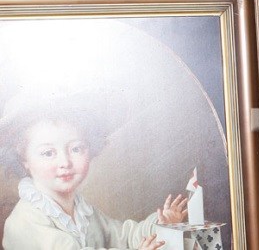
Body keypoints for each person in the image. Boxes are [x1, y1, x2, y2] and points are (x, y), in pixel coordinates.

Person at [0, 91, 189, 250]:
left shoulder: (83, 212)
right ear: (24, 159)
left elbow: (124, 237)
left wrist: (160, 224)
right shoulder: (24, 223)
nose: (65, 162)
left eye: (76, 149)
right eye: (48, 153)